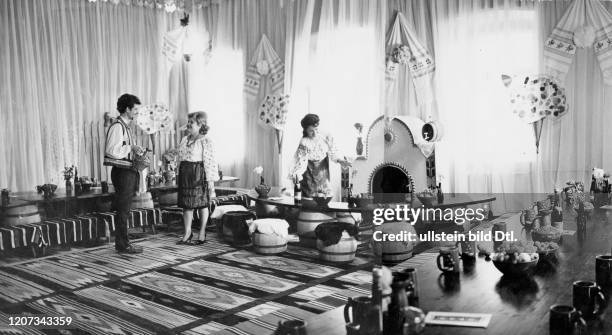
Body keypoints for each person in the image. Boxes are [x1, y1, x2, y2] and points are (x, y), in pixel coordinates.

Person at [104, 93, 145, 254]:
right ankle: (123, 244)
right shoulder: (117, 126)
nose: (137, 112)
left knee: (125, 209)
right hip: (122, 173)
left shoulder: (125, 126)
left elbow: (123, 149)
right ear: (127, 109)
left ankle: (123, 243)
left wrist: (135, 149)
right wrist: (131, 148)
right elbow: (111, 150)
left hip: (128, 171)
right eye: (135, 109)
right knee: (123, 210)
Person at [176, 111, 218, 244]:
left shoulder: (206, 141)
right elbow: (180, 158)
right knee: (186, 205)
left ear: (201, 125)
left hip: (198, 174)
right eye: (188, 122)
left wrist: (210, 181)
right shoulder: (184, 140)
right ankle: (188, 232)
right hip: (185, 174)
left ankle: (202, 231)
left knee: (201, 204)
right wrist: (178, 173)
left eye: (191, 122)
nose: (188, 124)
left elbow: (210, 162)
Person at [289, 114, 351, 198]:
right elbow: (301, 162)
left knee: (325, 196)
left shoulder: (325, 136)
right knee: (310, 198)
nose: (314, 133)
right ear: (305, 130)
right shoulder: (304, 142)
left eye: (316, 129)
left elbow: (333, 151)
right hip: (309, 173)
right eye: (311, 131)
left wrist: (340, 160)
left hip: (323, 171)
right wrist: (297, 175)